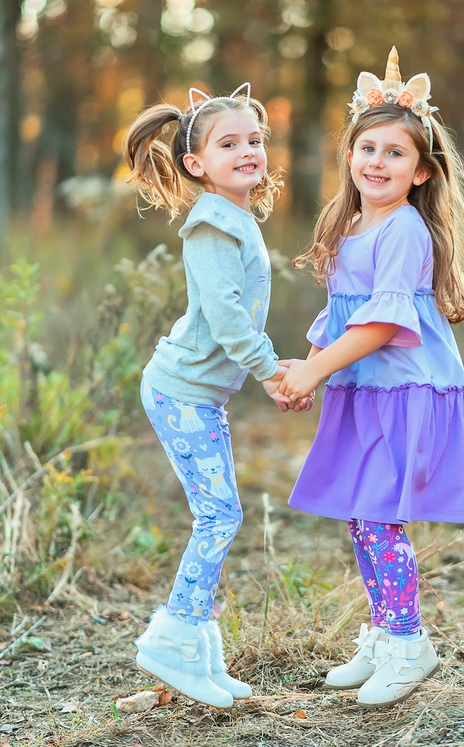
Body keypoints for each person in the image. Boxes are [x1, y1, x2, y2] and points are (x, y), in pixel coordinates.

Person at [279, 47, 464, 708]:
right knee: (361, 517)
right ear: (348, 155)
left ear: (423, 171)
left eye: (396, 153)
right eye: (368, 147)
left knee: (378, 518)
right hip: (366, 388)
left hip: (403, 389)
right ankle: (384, 631)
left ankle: (408, 639)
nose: (378, 162)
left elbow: (377, 327)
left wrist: (315, 368)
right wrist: (305, 365)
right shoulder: (352, 224)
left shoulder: (404, 231)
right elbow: (344, 313)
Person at [124, 83, 292, 708]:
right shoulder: (212, 224)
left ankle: (200, 653)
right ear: (196, 164)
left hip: (199, 396)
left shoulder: (234, 217)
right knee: (219, 516)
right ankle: (173, 642)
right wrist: (272, 373)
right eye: (229, 143)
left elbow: (239, 310)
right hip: (181, 391)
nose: (248, 150)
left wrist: (273, 365)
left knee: (221, 515)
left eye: (254, 140)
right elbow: (226, 320)